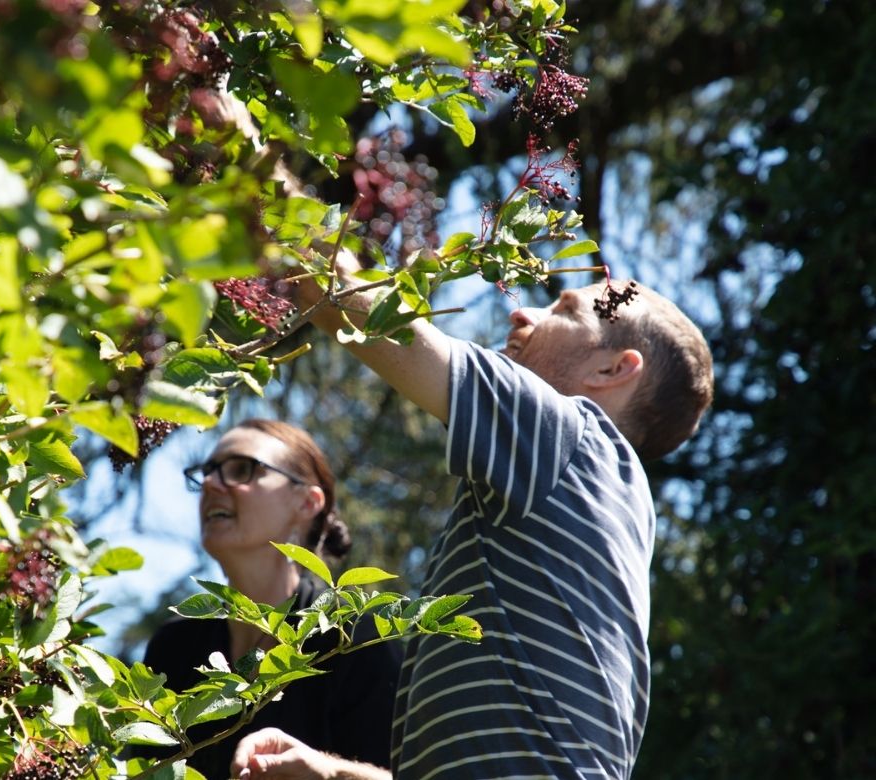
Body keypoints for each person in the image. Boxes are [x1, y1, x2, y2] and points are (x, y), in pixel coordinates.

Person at [230, 264, 714, 779]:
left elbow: (362, 311)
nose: (522, 314)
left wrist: (291, 233)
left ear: (613, 370)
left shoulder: (576, 440)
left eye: (565, 311)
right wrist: (331, 773)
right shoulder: (563, 511)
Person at [141, 418, 402, 779]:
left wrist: (330, 772)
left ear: (307, 502)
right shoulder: (173, 648)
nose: (211, 483)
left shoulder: (355, 636)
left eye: (242, 469)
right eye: (208, 471)